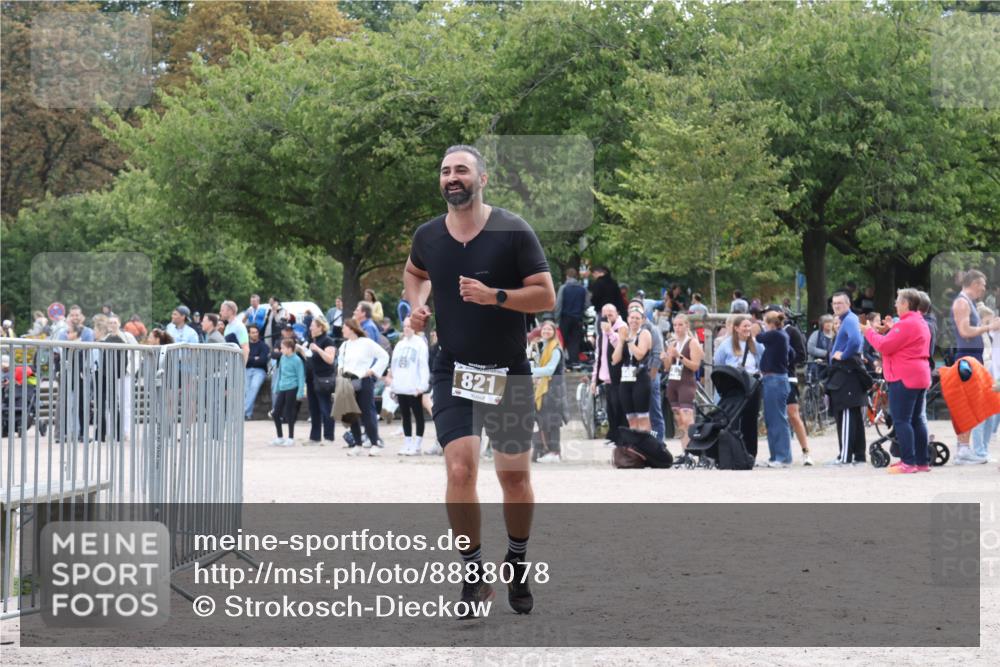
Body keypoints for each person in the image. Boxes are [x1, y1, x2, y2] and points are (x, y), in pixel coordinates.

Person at [403, 144, 555, 618]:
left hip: (507, 372)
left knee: (514, 478)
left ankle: (516, 558)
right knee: (459, 470)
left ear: (482, 179)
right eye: (446, 171)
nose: (453, 177)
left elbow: (544, 296)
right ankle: (472, 573)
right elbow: (414, 273)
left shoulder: (513, 230)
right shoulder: (428, 236)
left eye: (462, 170)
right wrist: (416, 305)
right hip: (455, 370)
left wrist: (497, 296)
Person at [862, 288, 932, 473]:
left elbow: (884, 346)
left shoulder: (907, 323)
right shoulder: (919, 322)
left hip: (904, 376)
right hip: (919, 374)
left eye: (898, 300)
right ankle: (922, 461)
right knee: (917, 420)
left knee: (902, 420)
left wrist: (869, 332)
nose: (895, 304)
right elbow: (902, 342)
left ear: (906, 304)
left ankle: (908, 462)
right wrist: (892, 329)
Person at [949, 269, 1000, 464]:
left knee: (971, 402)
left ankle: (964, 448)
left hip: (972, 357)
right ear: (974, 283)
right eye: (983, 284)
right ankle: (962, 449)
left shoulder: (967, 302)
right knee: (967, 403)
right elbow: (965, 331)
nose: (984, 289)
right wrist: (989, 327)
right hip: (967, 357)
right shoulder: (962, 302)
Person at [826, 291, 869, 465]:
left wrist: (842, 355)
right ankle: (858, 455)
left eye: (840, 303)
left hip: (846, 372)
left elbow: (855, 340)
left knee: (846, 412)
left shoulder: (850, 319)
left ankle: (845, 456)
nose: (836, 306)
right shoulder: (847, 320)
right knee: (853, 415)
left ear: (848, 304)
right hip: (847, 372)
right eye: (834, 303)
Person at [714, 314, 764, 459]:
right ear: (736, 328)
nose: (747, 329)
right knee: (733, 418)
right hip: (735, 384)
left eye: (749, 326)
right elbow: (719, 362)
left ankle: (750, 453)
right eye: (744, 326)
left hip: (752, 384)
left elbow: (761, 362)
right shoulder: (726, 345)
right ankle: (733, 451)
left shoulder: (755, 344)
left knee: (750, 419)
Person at [339, 318, 389, 456]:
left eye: (344, 327)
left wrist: (373, 371)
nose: (342, 330)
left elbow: (384, 356)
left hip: (364, 381)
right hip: (348, 382)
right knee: (352, 414)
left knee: (368, 413)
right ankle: (358, 444)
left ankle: (374, 443)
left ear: (351, 328)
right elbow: (340, 364)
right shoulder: (344, 346)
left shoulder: (366, 343)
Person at [755, 310, 795, 467]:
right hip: (776, 378)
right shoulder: (783, 336)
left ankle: (783, 457)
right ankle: (775, 456)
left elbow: (759, 337)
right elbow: (791, 354)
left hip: (775, 379)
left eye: (765, 323)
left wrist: (757, 327)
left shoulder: (775, 334)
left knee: (777, 418)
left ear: (770, 323)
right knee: (771, 419)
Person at [387, 317, 430, 456]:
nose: (406, 328)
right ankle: (407, 442)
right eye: (404, 326)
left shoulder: (420, 344)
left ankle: (417, 444)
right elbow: (394, 365)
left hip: (414, 385)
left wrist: (422, 385)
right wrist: (393, 383)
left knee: (417, 415)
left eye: (409, 326)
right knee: (404, 415)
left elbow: (423, 366)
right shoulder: (400, 344)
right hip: (401, 385)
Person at [661, 313, 703, 456]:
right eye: (675, 325)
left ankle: (696, 449)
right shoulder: (672, 344)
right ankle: (685, 452)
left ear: (687, 326)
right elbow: (667, 367)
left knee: (687, 418)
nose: (677, 328)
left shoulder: (692, 342)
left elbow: (695, 366)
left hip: (686, 382)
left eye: (680, 325)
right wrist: (666, 357)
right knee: (679, 420)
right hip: (673, 383)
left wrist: (679, 356)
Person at [778, 307, 812, 466]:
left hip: (787, 376)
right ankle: (780, 453)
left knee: (793, 414)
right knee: (775, 417)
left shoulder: (791, 331)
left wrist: (784, 359)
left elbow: (801, 355)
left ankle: (806, 451)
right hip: (770, 378)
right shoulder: (764, 333)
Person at [591, 304, 629, 445]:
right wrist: (594, 380)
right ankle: (613, 436)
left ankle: (621, 437)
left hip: (619, 375)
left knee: (619, 406)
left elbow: (620, 347)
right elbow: (598, 357)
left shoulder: (622, 326)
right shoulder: (601, 331)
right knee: (611, 407)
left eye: (610, 312)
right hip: (606, 376)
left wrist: (610, 333)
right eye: (604, 313)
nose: (607, 315)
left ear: (617, 312)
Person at [531, 320, 568, 463]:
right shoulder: (543, 347)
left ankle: (555, 452)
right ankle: (546, 450)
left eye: (549, 330)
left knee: (553, 422)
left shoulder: (555, 349)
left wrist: (530, 371)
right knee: (543, 421)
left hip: (553, 390)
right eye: (544, 329)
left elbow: (550, 369)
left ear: (554, 333)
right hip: (544, 388)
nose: (546, 332)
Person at [613, 307, 653, 433]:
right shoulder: (625, 335)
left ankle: (646, 447)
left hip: (640, 378)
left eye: (637, 318)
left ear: (642, 320)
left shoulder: (644, 333)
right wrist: (621, 341)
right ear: (627, 319)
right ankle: (634, 448)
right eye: (632, 318)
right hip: (626, 379)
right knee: (631, 418)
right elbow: (615, 359)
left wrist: (629, 340)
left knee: (642, 417)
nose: (634, 321)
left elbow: (639, 355)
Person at [303, 315, 338, 445]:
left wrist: (317, 349)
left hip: (323, 379)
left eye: (313, 325)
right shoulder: (311, 340)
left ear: (320, 327)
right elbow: (310, 358)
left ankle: (329, 437)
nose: (310, 327)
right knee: (313, 408)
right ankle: (315, 437)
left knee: (325, 407)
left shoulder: (327, 341)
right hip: (311, 378)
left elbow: (330, 359)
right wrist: (302, 350)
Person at [972, 305, 999, 460]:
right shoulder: (979, 336)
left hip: (991, 375)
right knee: (982, 414)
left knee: (991, 414)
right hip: (983, 375)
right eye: (988, 320)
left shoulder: (990, 336)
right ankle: (979, 449)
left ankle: (984, 447)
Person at [270, 338, 305, 447]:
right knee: (275, 413)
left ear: (290, 349)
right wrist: (276, 387)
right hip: (282, 388)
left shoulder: (297, 360)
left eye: (283, 348)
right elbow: (279, 373)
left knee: (289, 413)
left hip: (292, 388)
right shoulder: (282, 358)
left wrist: (300, 392)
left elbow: (301, 377)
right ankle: (280, 437)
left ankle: (291, 438)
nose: (281, 350)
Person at [555, 268, 587, 371]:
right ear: (576, 276)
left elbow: (558, 304)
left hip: (565, 317)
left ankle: (562, 363)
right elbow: (587, 304)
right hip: (578, 318)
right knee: (575, 341)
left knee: (562, 340)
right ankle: (575, 362)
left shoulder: (563, 288)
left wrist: (556, 318)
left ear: (567, 276)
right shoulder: (582, 289)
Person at [245, 325, 270, 420]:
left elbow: (263, 361)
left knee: (254, 387)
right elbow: (243, 360)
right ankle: (248, 414)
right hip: (246, 370)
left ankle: (243, 411)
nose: (255, 334)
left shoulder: (264, 346)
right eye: (253, 332)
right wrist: (254, 358)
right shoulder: (245, 345)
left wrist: (250, 359)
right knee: (246, 390)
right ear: (248, 334)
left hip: (260, 370)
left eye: (256, 332)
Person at [807, 315, 835, 382]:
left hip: (832, 365)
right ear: (822, 324)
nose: (829, 324)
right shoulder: (816, 334)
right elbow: (810, 349)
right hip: (817, 365)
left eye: (830, 322)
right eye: (826, 322)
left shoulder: (836, 335)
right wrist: (827, 354)